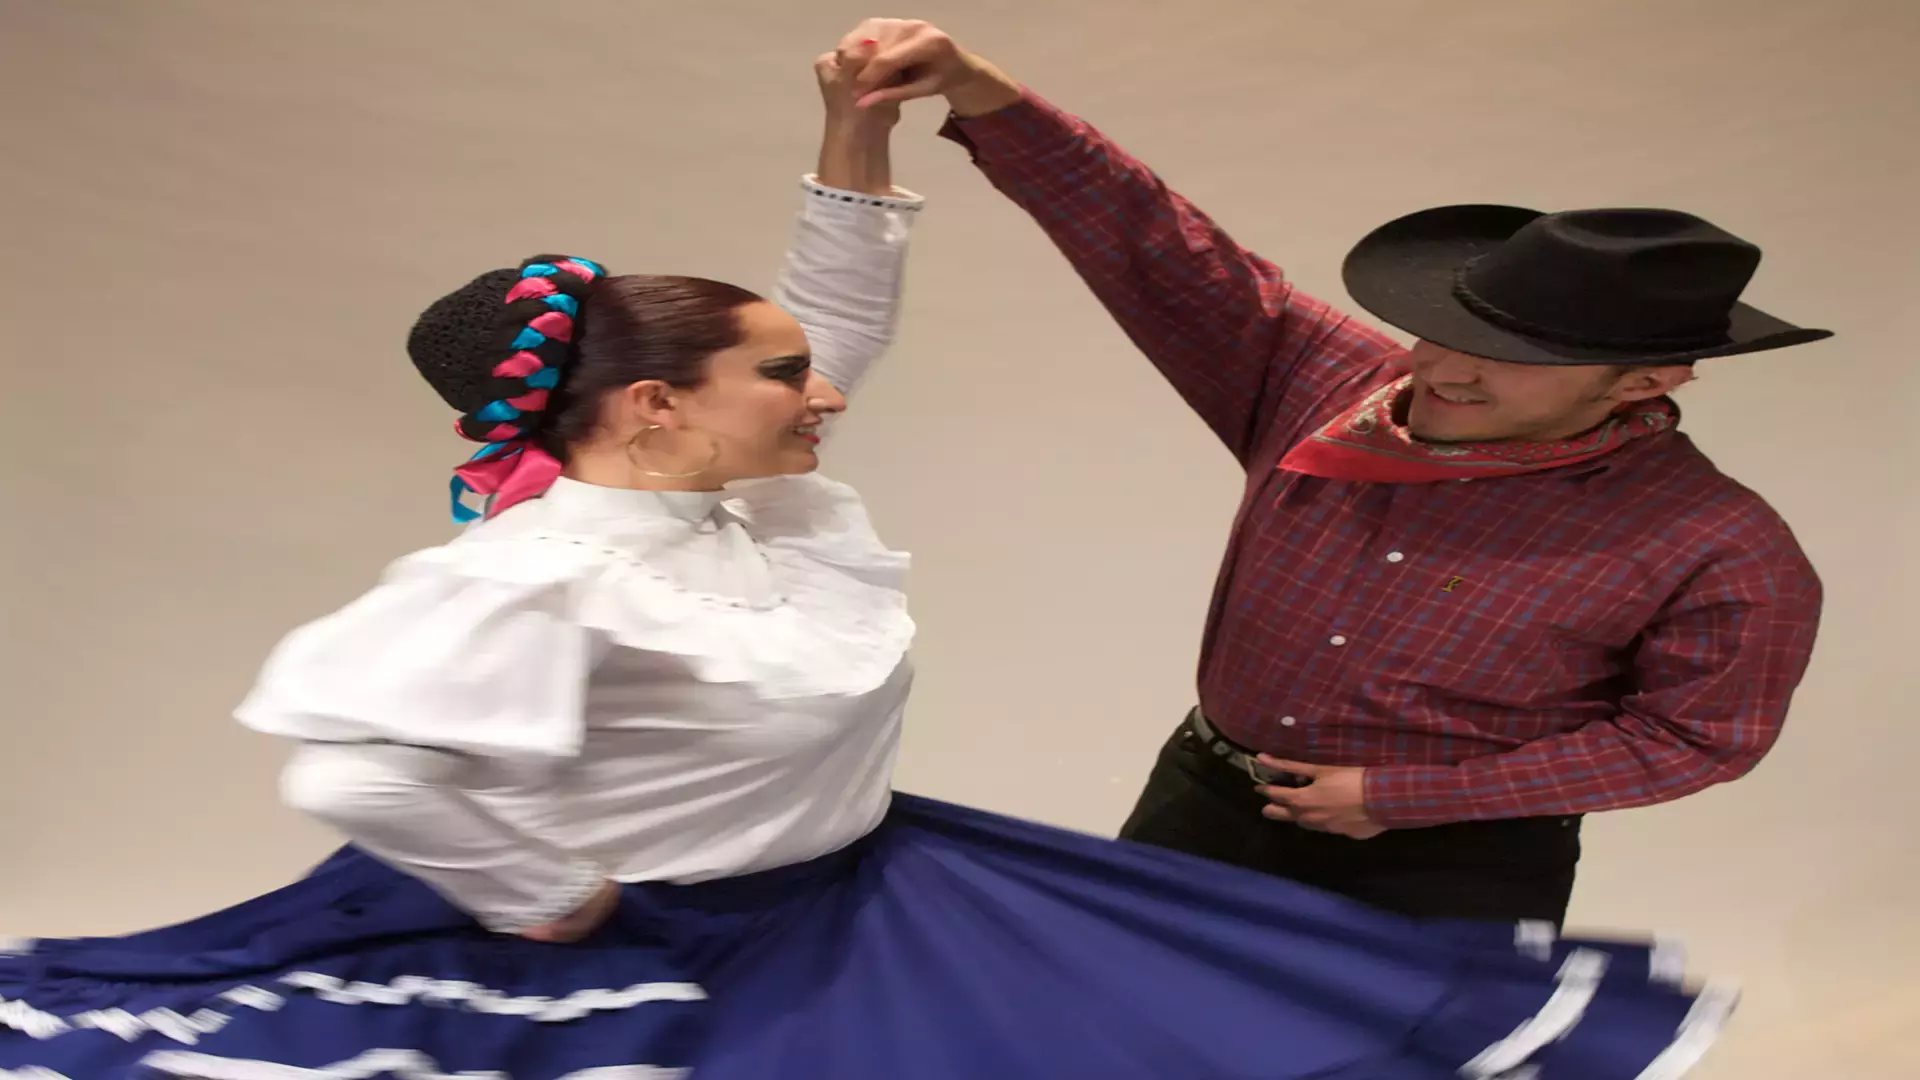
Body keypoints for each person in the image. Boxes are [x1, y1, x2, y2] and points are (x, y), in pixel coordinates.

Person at [3, 46, 1731, 1080]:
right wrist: (543, 896)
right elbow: (356, 755)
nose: (825, 390)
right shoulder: (544, 573)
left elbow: (821, 324)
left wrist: (864, 135)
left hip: (867, 894)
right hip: (687, 939)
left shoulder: (721, 497)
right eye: (781, 378)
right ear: (661, 409)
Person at [837, 18, 1828, 928]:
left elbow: (1697, 738)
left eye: (1509, 355)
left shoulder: (1722, 546)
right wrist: (981, 92)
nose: (1442, 368)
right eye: (1444, 330)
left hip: (1452, 864)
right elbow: (1161, 250)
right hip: (1204, 802)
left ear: (1649, 379)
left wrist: (1411, 797)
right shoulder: (1329, 379)